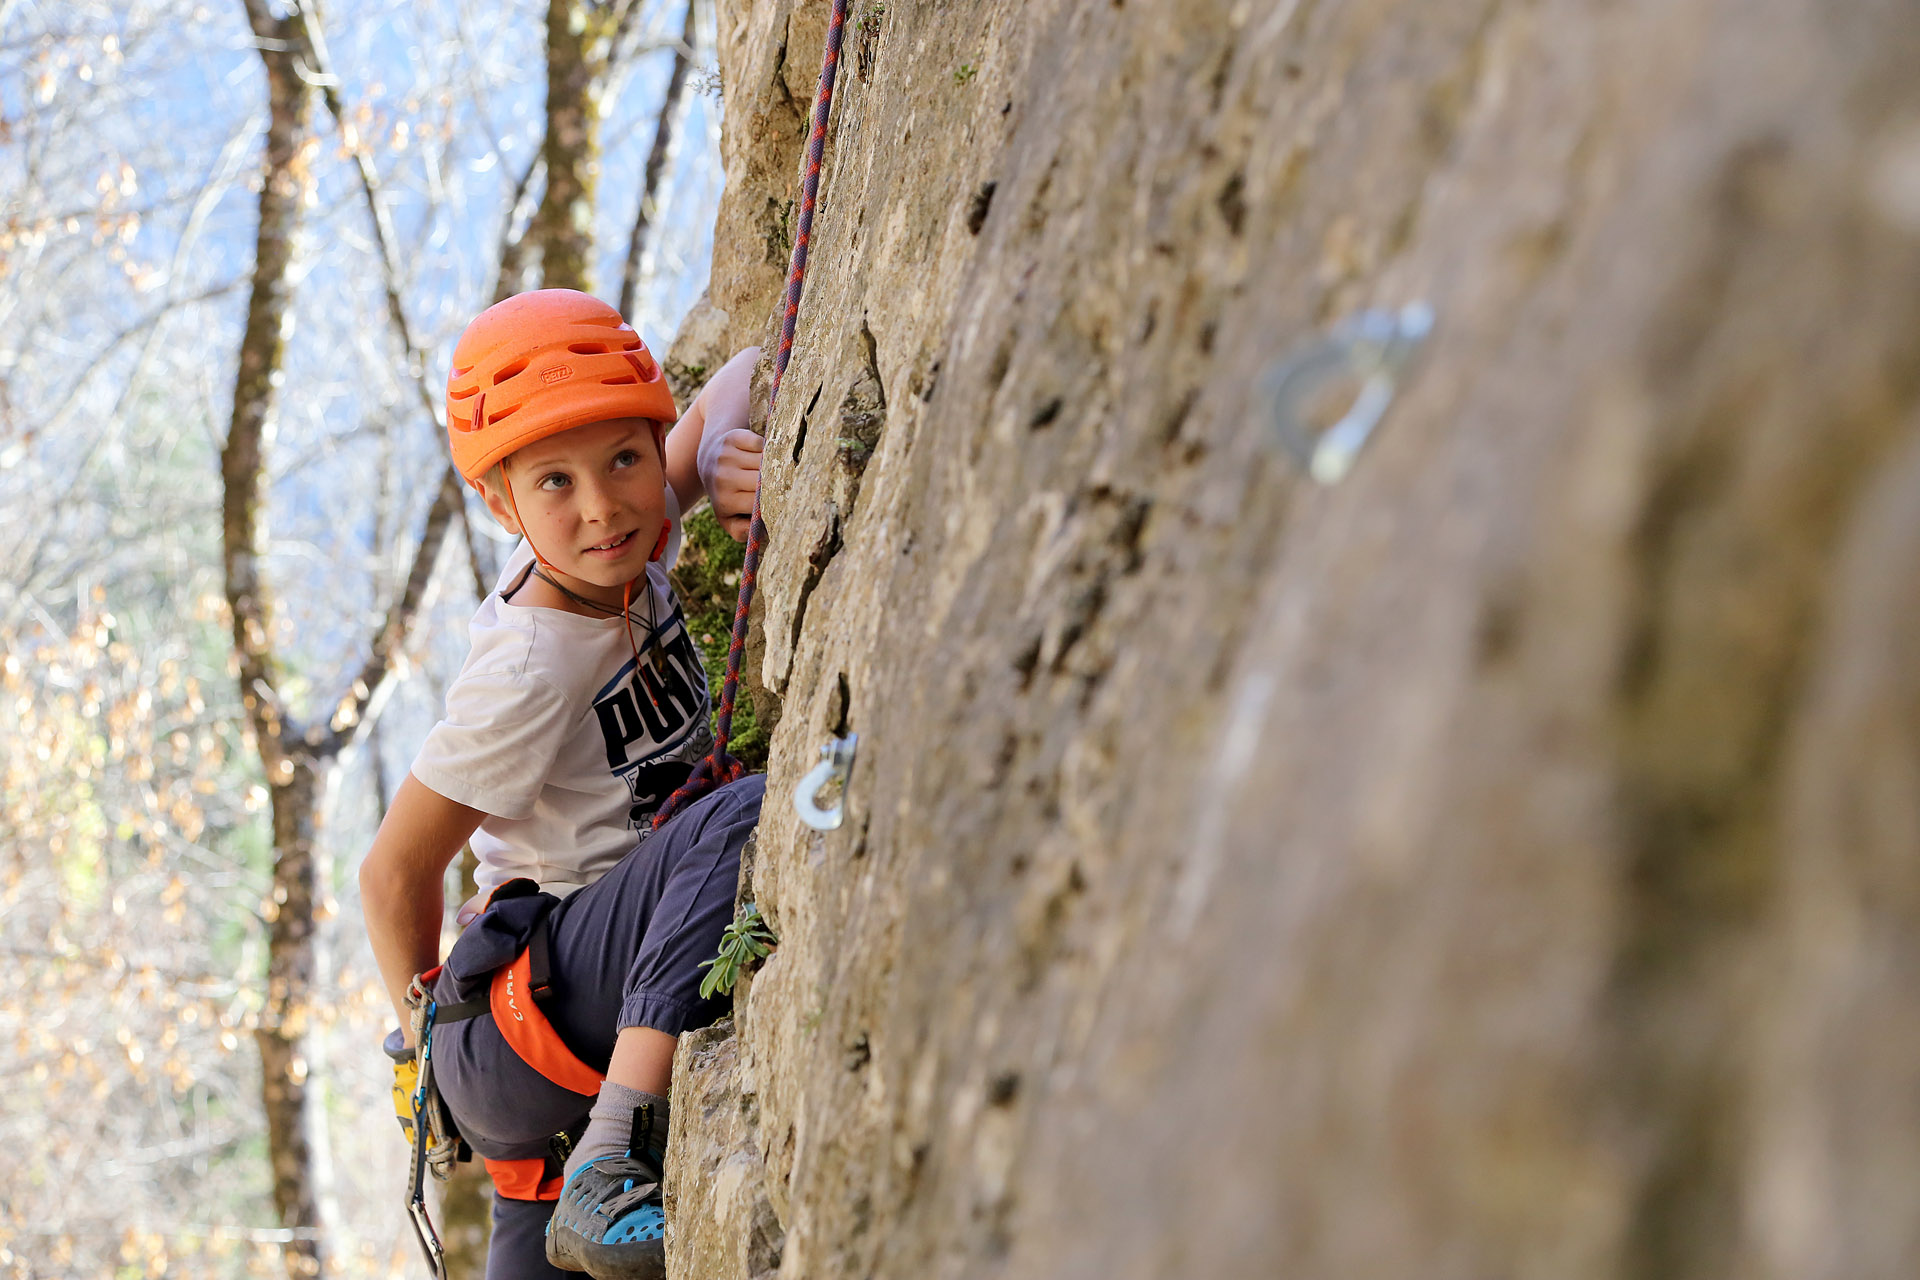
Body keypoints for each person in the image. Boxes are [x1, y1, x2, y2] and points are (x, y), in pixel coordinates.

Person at [358, 288, 767, 1280]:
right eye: (554, 481)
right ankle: (612, 1146)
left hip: (553, 1015)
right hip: (519, 1015)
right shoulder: (532, 665)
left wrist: (711, 464)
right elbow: (392, 870)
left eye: (626, 457)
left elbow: (751, 365)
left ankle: (573, 1168)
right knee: (745, 812)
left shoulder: (615, 537)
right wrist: (422, 1046)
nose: (603, 505)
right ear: (502, 503)